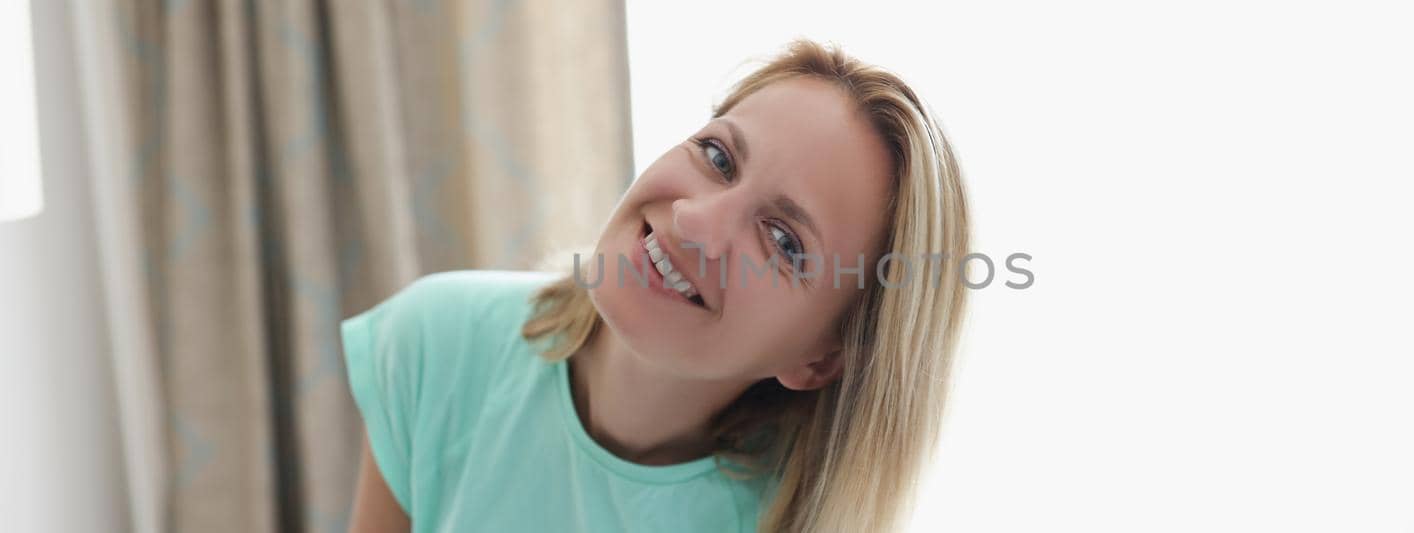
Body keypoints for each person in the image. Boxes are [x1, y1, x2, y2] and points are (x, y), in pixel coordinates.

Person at [344, 38, 970, 533]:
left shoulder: (788, 517)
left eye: (783, 241)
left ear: (820, 358)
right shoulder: (434, 343)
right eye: (719, 157)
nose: (696, 220)